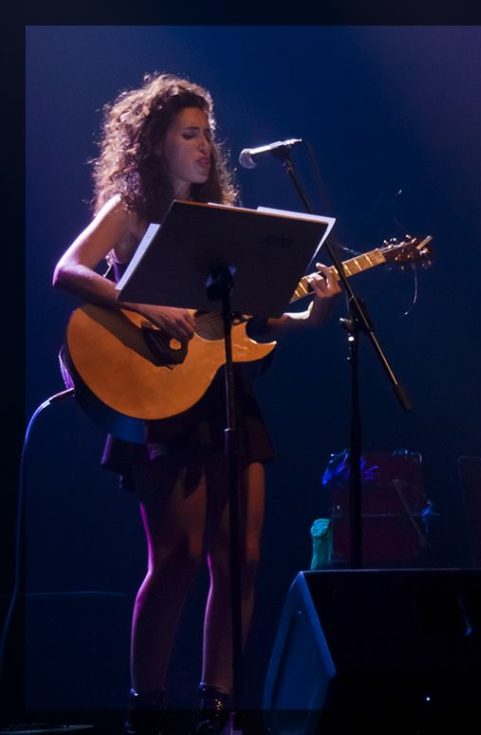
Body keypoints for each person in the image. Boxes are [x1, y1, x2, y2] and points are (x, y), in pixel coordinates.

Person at [52, 73, 342, 734]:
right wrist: (144, 300)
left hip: (227, 394)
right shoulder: (130, 207)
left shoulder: (224, 227)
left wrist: (314, 314)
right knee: (176, 558)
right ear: (155, 144)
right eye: (189, 133)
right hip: (160, 398)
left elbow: (245, 326)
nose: (205, 145)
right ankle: (147, 706)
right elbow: (68, 268)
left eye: (207, 132)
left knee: (241, 557)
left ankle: (220, 705)